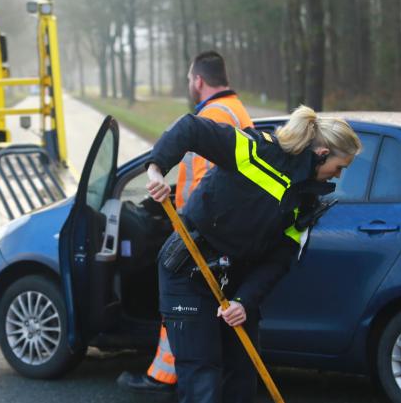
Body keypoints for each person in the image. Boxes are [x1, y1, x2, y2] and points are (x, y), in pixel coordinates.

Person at [146, 105, 361, 403]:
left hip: (237, 280)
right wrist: (157, 168)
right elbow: (191, 129)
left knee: (242, 375)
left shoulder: (307, 201)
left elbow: (280, 259)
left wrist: (244, 301)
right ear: (322, 153)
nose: (337, 175)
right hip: (189, 267)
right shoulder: (258, 150)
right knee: (203, 378)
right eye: (339, 167)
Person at [117, 51, 254, 394]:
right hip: (219, 233)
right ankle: (174, 373)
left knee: (182, 310)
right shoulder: (236, 110)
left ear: (198, 80)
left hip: (202, 234)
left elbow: (214, 184)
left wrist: (190, 222)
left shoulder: (213, 115)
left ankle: (165, 375)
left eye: (190, 79)